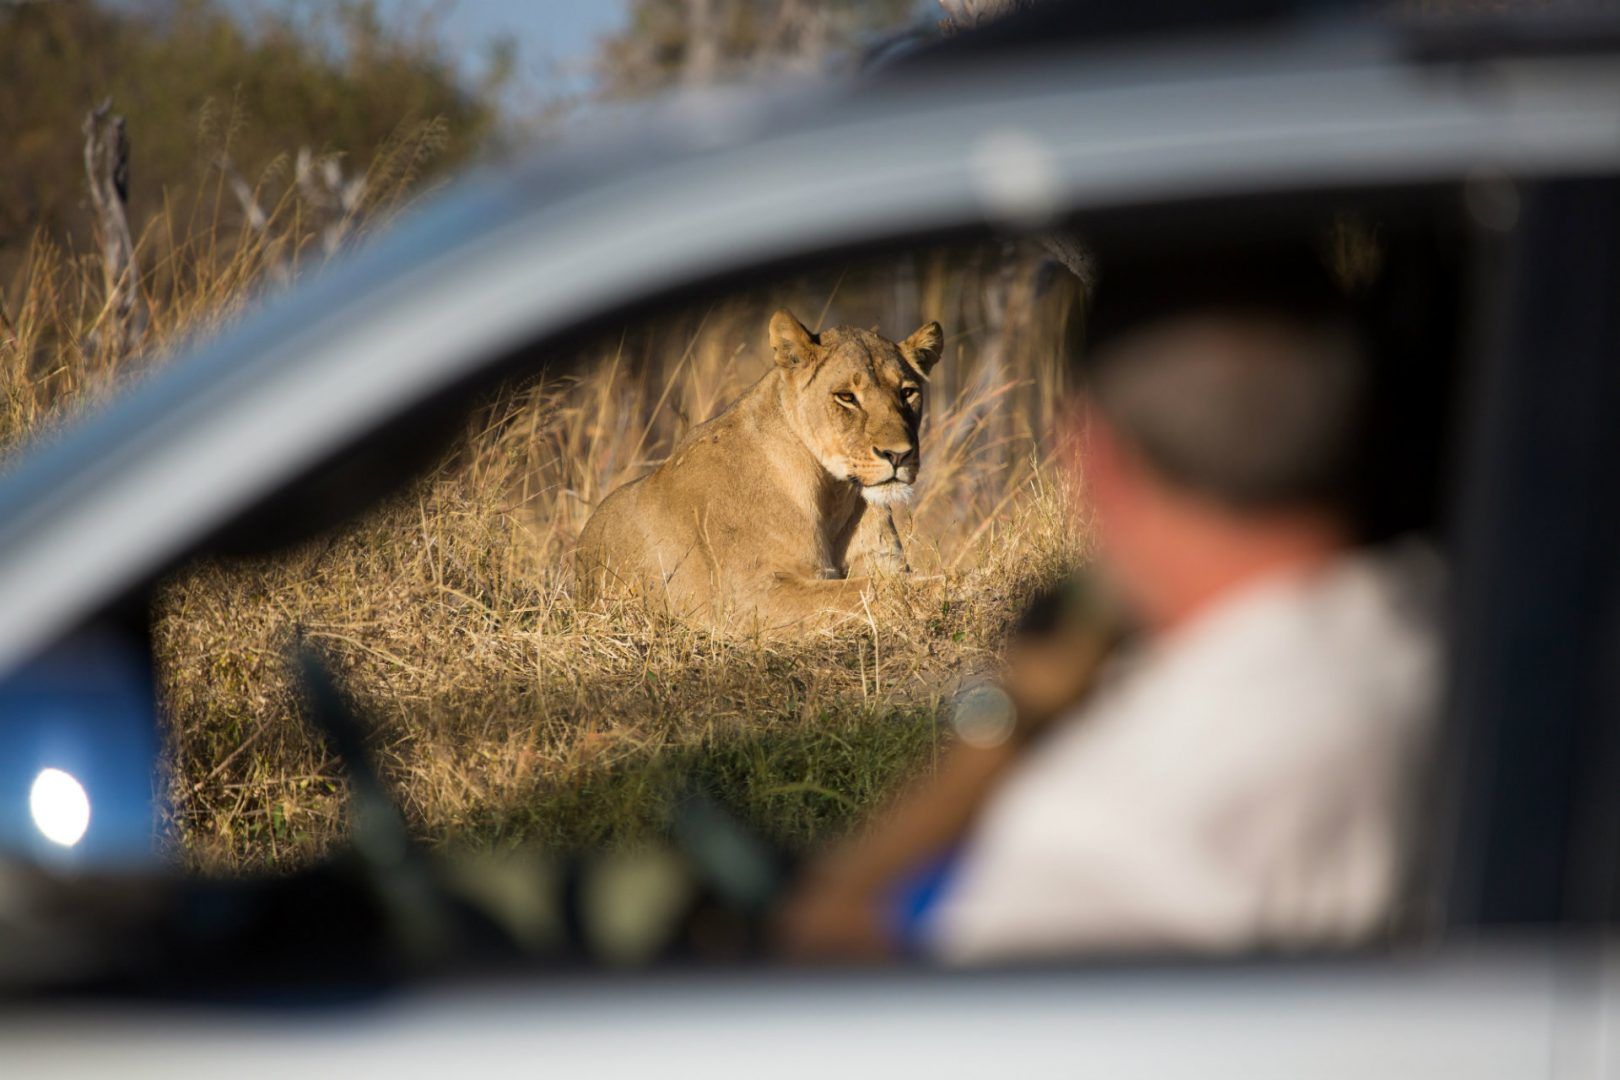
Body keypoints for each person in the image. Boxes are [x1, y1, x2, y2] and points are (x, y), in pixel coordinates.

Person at [778, 242, 1443, 963]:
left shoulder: (1105, 839)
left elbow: (828, 947)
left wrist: (1005, 727)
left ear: (1093, 459)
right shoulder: (1451, 629)